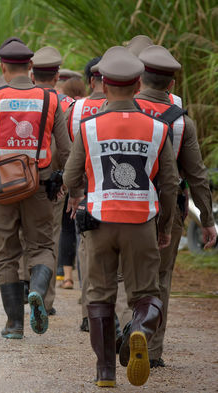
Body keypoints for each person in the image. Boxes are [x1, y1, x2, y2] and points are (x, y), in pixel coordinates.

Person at [63, 46, 179, 387]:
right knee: (146, 295)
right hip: (142, 222)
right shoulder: (157, 127)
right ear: (138, 82)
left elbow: (71, 176)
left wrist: (76, 195)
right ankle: (139, 330)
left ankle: (105, 373)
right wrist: (166, 226)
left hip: (99, 221)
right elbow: (170, 182)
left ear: (103, 83)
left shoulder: (89, 126)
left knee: (99, 297)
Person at [0, 37, 71, 338]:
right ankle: (36, 289)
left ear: (3, 68)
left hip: (2, 188)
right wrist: (78, 190)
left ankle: (13, 325)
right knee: (43, 246)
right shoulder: (52, 100)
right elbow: (67, 149)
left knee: (7, 254)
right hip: (40, 184)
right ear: (31, 67)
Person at [134, 45, 217, 368]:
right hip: (169, 212)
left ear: (139, 79)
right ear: (171, 86)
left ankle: (125, 332)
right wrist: (208, 220)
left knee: (125, 275)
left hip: (123, 208)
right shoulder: (182, 123)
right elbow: (197, 176)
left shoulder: (120, 109)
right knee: (161, 279)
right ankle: (151, 350)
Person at [65, 58, 107, 330]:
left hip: (89, 193)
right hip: (130, 198)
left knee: (88, 253)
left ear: (92, 81)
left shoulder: (77, 108)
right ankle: (128, 321)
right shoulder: (138, 111)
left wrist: (74, 192)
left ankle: (87, 315)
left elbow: (71, 155)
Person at [30, 45, 71, 311]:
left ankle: (26, 284)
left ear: (32, 75)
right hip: (54, 182)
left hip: (19, 180)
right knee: (50, 238)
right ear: (57, 77)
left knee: (25, 235)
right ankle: (45, 298)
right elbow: (72, 148)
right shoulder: (68, 104)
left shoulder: (19, 99)